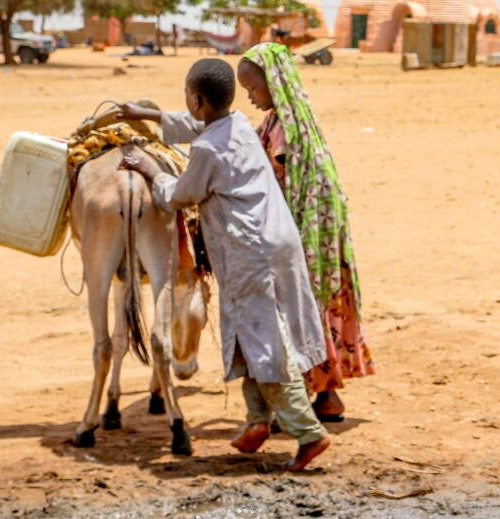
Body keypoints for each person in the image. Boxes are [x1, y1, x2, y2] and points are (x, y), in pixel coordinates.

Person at [112, 59, 331, 471]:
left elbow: (180, 194)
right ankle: (257, 422)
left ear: (196, 100)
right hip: (276, 239)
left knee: (267, 342)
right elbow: (201, 127)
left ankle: (308, 432)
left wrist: (149, 168)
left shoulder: (208, 150)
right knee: (257, 332)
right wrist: (150, 115)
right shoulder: (240, 126)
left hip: (249, 252)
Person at [237, 42, 375, 423]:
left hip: (308, 229)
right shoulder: (285, 119)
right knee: (315, 302)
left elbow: (276, 183)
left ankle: (299, 405)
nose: (251, 97)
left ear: (274, 83)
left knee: (299, 306)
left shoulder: (285, 129)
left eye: (253, 89)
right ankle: (327, 398)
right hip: (323, 227)